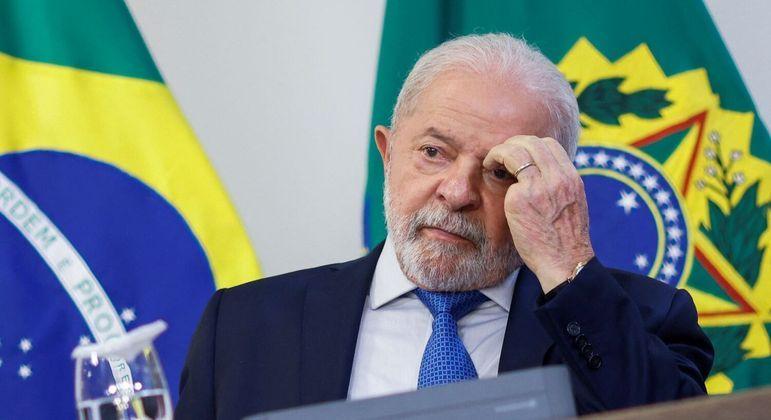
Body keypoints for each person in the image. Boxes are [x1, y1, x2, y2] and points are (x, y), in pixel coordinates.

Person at [175, 33, 713, 419]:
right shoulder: (243, 327)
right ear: (388, 153)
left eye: (500, 171)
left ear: (551, 186)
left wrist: (567, 264)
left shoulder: (646, 321)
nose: (457, 193)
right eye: (433, 152)